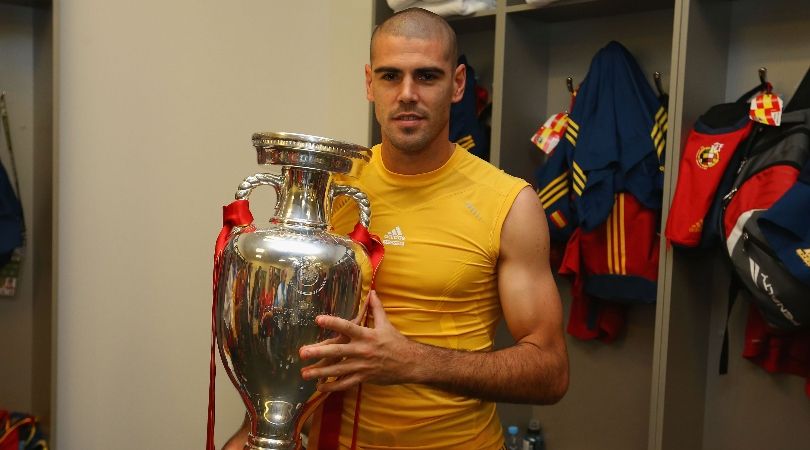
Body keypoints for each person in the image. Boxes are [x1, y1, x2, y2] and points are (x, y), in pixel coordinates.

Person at [224, 7, 568, 449]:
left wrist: (411, 362)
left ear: (458, 84)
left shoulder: (509, 203)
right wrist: (250, 434)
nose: (407, 94)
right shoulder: (331, 193)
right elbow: (288, 338)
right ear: (370, 83)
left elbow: (551, 371)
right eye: (390, 76)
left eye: (427, 76)